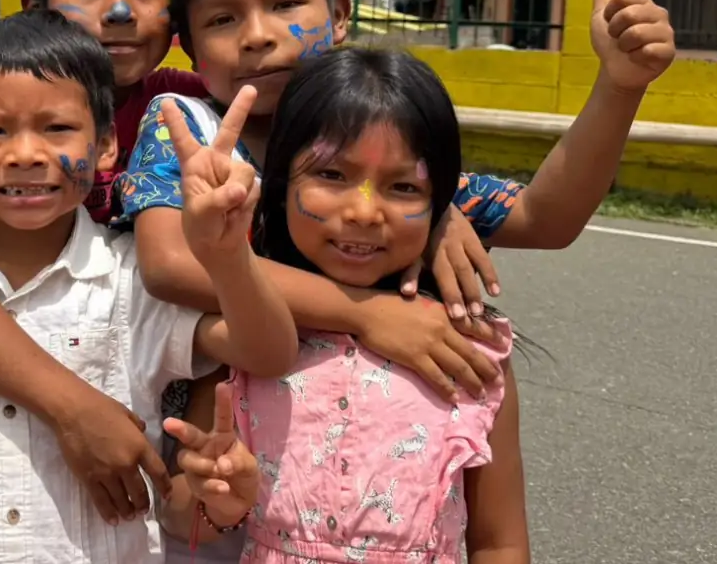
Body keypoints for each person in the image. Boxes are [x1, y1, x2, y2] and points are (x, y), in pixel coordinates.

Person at [0, 0, 505, 530]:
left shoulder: (211, 101)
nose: (120, 12)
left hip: (203, 361)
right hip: (61, 378)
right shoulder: (2, 116)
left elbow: (359, 145)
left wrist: (435, 211)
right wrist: (74, 409)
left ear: (177, 21)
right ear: (32, 4)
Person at [123, 0, 674, 561]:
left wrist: (618, 88)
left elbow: (544, 218)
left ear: (343, 11)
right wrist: (371, 312)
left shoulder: (389, 140)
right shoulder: (190, 133)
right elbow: (174, 263)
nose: (258, 35)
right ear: (187, 39)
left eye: (286, 4)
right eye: (223, 18)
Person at [0, 9, 294, 564]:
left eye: (57, 128)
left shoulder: (131, 283)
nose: (27, 153)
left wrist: (228, 258)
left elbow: (268, 349)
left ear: (107, 146)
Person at [168, 47, 533, 563]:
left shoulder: (468, 350)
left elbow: (500, 541)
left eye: (404, 186)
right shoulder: (244, 333)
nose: (364, 211)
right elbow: (184, 513)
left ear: (441, 203)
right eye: (332, 176)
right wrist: (216, 497)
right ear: (279, 182)